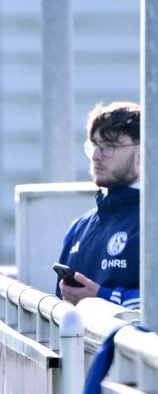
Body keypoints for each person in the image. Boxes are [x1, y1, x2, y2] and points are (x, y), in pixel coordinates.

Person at [55, 101, 141, 309]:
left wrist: (101, 297)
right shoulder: (79, 228)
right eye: (94, 145)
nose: (95, 156)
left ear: (143, 153)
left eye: (109, 146)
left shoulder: (151, 222)